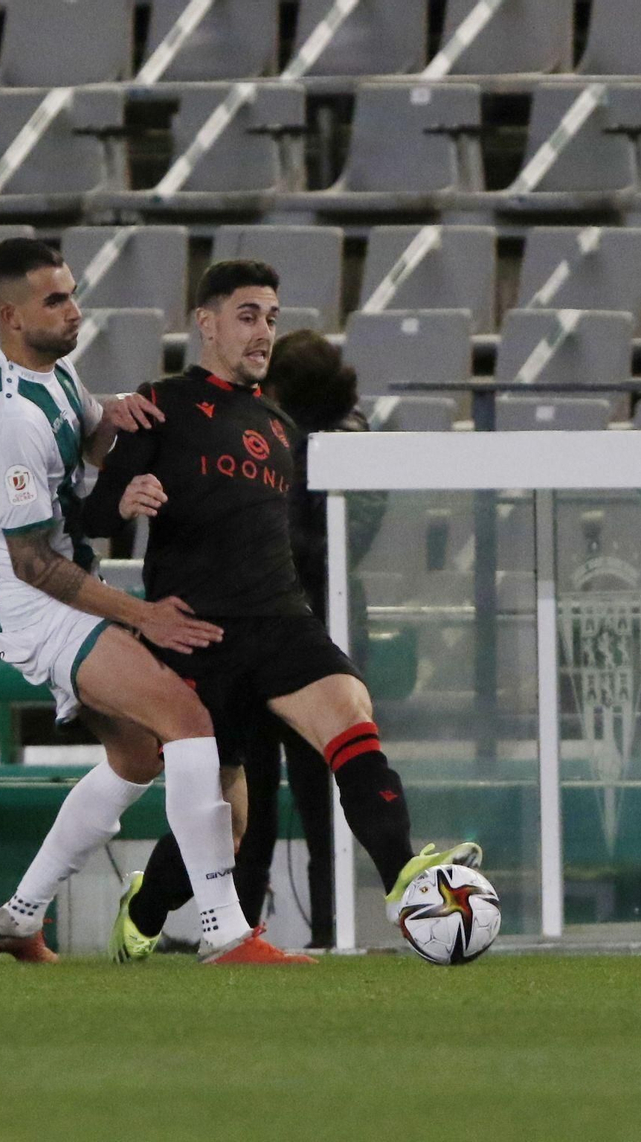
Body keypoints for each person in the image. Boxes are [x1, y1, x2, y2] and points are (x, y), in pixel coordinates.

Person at [77, 260, 479, 962]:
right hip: (199, 634)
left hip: (282, 620)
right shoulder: (159, 404)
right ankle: (144, 909)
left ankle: (404, 877)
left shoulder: (278, 424)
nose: (263, 331)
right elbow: (89, 518)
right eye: (247, 316)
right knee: (228, 822)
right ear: (206, 323)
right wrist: (122, 501)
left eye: (271, 317)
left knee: (350, 712)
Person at [0, 238, 307, 965]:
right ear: (11, 316)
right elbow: (32, 561)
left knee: (137, 754)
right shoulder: (9, 419)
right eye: (55, 300)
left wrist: (117, 420)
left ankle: (20, 918)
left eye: (72, 292)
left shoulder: (50, 373)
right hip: (35, 600)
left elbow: (89, 445)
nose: (73, 310)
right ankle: (224, 931)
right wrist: (142, 615)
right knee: (189, 722)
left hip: (60, 581)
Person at [229, 329, 385, 948]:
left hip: (317, 632)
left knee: (319, 801)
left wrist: (264, 530)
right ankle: (240, 933)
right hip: (269, 629)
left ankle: (329, 933)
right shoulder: (276, 441)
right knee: (256, 796)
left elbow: (340, 546)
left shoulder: (346, 447)